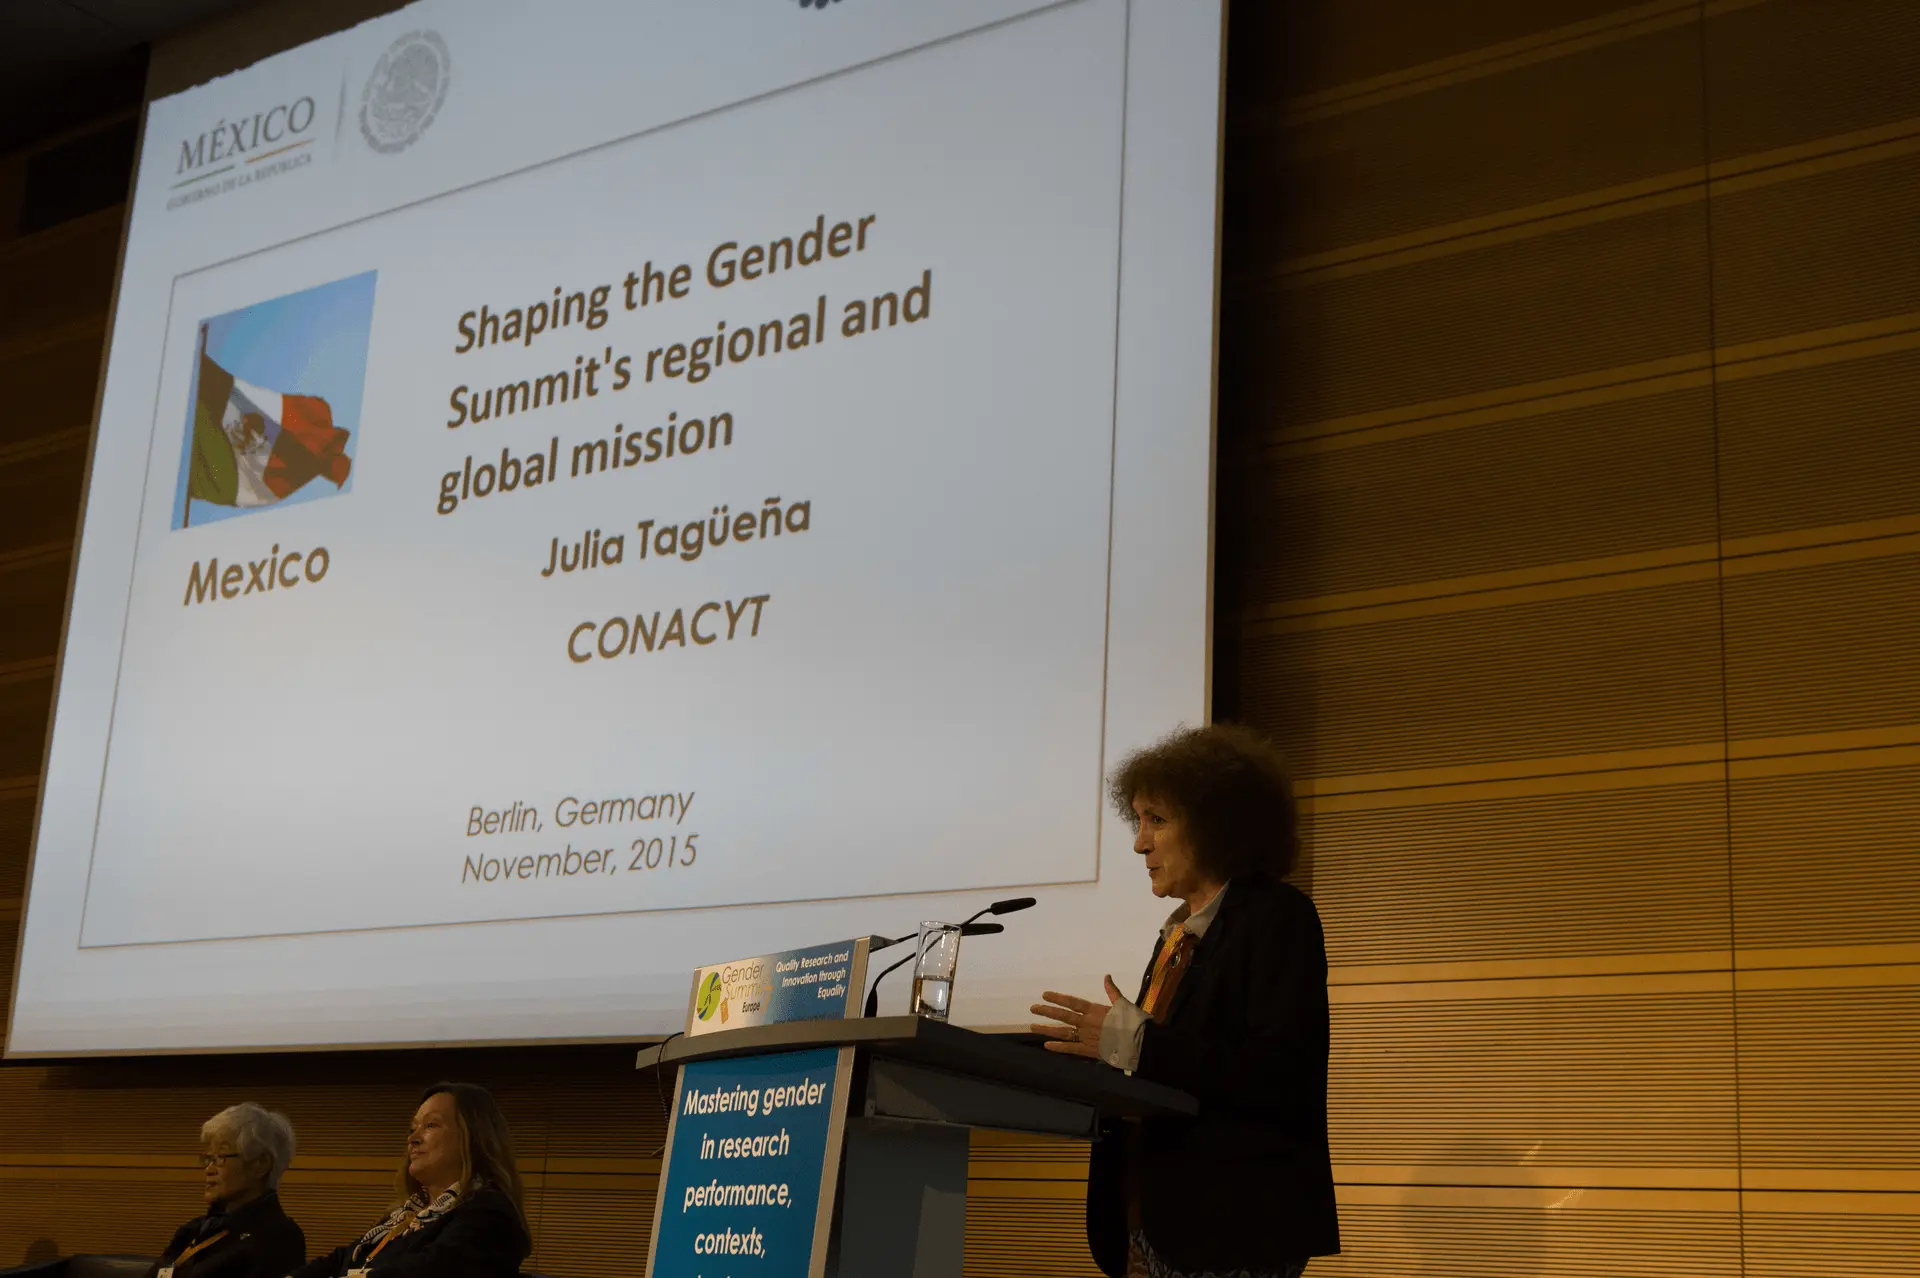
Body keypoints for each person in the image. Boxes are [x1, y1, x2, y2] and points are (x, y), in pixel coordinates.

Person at [1031, 724, 1339, 1277]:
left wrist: (1133, 1042)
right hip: (1150, 1223)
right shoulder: (1177, 936)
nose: (1139, 843)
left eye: (1156, 820)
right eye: (1138, 821)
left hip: (1233, 1228)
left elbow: (1277, 1075)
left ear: (1217, 823)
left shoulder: (1278, 918)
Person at [290, 1083, 530, 1278]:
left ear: (474, 1137)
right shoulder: (405, 1216)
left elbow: (427, 1271)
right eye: (412, 1128)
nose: (413, 1138)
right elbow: (342, 1259)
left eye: (431, 1125)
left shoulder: (489, 1215)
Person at [146, 1102, 305, 1278]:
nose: (209, 1169)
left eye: (221, 1157)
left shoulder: (278, 1239)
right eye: (209, 1158)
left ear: (261, 1164)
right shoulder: (194, 1230)